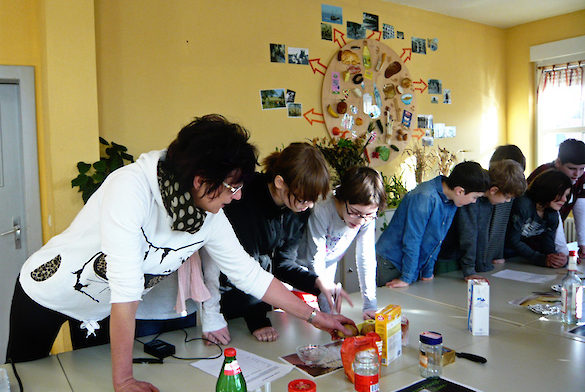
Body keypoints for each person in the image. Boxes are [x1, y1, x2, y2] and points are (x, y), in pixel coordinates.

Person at [6, 115, 354, 392]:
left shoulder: (207, 213)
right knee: (22, 378)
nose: (236, 196)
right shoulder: (130, 189)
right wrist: (124, 380)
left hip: (98, 307)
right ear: (201, 180)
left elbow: (249, 274)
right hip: (47, 293)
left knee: (86, 380)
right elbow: (127, 290)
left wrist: (315, 317)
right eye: (233, 186)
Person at [200, 142, 351, 345]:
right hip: (222, 296)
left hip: (258, 295)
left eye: (312, 200)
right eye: (303, 199)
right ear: (280, 182)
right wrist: (258, 319)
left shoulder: (295, 210)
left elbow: (282, 265)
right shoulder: (244, 199)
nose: (308, 206)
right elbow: (245, 270)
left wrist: (316, 283)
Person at [376, 161, 490, 288]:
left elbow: (436, 240)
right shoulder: (425, 196)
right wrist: (407, 277)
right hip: (391, 263)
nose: (474, 202)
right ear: (460, 191)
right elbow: (412, 240)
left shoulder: (451, 202)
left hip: (409, 266)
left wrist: (427, 272)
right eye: (474, 197)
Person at [300, 166, 386, 319]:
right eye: (354, 213)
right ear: (342, 198)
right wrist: (328, 315)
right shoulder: (322, 209)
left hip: (327, 265)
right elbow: (315, 260)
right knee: (295, 318)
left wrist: (370, 305)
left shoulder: (366, 216)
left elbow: (365, 256)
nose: (361, 221)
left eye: (369, 215)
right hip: (298, 268)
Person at [437, 159, 527, 281]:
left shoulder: (487, 200)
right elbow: (469, 234)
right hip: (447, 257)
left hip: (464, 260)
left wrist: (482, 265)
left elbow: (482, 232)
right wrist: (469, 270)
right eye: (507, 197)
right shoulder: (471, 199)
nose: (507, 201)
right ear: (494, 190)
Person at [528, 139, 585, 258]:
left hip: (550, 237)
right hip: (530, 240)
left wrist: (583, 243)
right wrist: (563, 253)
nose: (577, 174)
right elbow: (552, 213)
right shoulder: (545, 174)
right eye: (572, 168)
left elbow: (581, 208)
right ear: (558, 162)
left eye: (582, 169)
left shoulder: (580, 176)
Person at [505, 169, 572, 268]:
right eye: (560, 195)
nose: (564, 200)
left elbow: (548, 244)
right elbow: (513, 240)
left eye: (566, 195)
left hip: (522, 257)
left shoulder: (552, 214)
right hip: (505, 255)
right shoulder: (523, 205)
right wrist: (541, 259)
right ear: (548, 190)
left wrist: (557, 259)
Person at [484, 145, 527, 264]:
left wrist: (498, 255)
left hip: (495, 258)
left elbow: (501, 227)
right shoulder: (482, 195)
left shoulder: (509, 195)